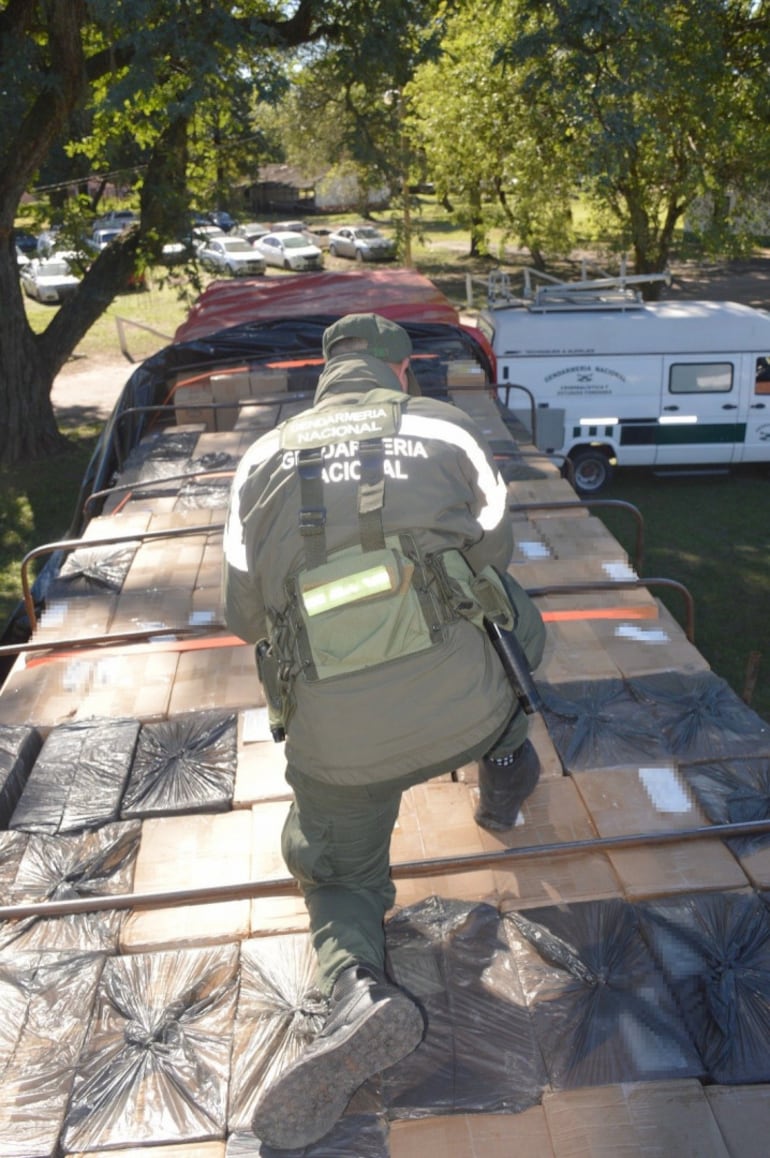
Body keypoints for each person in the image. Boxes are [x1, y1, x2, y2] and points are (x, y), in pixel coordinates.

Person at [223, 312, 545, 1150]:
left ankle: (357, 990)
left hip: (341, 745)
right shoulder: (448, 427)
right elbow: (495, 547)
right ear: (401, 373)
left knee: (337, 873)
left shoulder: (258, 458)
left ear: (321, 375)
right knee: (515, 612)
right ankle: (508, 762)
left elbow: (243, 614)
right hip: (466, 706)